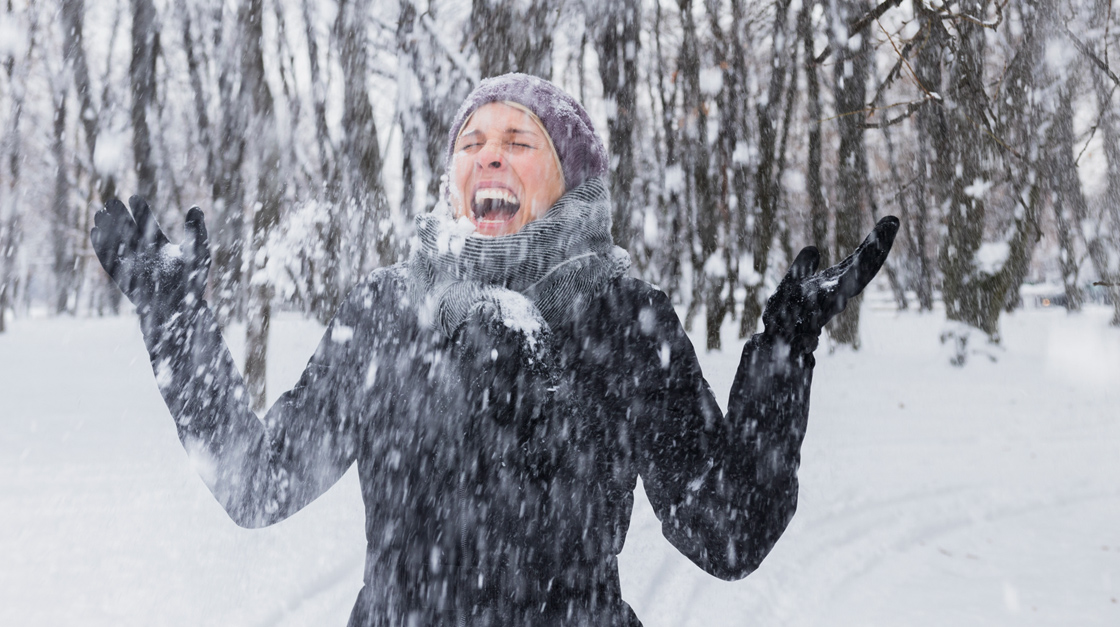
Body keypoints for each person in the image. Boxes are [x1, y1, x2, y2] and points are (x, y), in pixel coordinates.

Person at [91, 73, 897, 626]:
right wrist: (174, 318)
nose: (488, 152)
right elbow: (255, 482)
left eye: (519, 138)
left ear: (568, 177)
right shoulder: (387, 311)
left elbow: (729, 531)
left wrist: (787, 345)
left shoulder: (623, 319)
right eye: (471, 140)